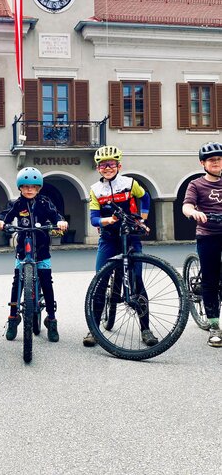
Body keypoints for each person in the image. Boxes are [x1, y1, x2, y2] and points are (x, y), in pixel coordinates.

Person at [83, 145, 158, 347]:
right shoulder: (95, 190)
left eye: (111, 164)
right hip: (109, 238)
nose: (107, 168)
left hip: (130, 236)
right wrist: (106, 221)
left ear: (118, 165)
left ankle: (146, 329)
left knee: (138, 280)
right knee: (100, 281)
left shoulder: (129, 183)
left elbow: (145, 197)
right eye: (102, 165)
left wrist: (142, 219)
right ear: (98, 168)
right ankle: (94, 329)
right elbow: (93, 218)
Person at [0, 167, 68, 343]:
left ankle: (51, 319)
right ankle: (13, 318)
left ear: (39, 188)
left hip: (42, 249)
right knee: (16, 282)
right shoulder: (16, 203)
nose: (29, 190)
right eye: (26, 186)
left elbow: (55, 214)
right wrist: (0, 221)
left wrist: (60, 221)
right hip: (23, 250)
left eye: (33, 187)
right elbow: (5, 214)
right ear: (20, 187)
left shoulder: (44, 202)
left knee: (46, 282)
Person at [182, 141, 222, 347]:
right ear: (203, 163)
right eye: (211, 160)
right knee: (211, 281)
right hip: (208, 235)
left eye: (219, 159)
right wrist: (194, 212)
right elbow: (187, 205)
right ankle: (214, 326)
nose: (216, 163)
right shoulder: (196, 185)